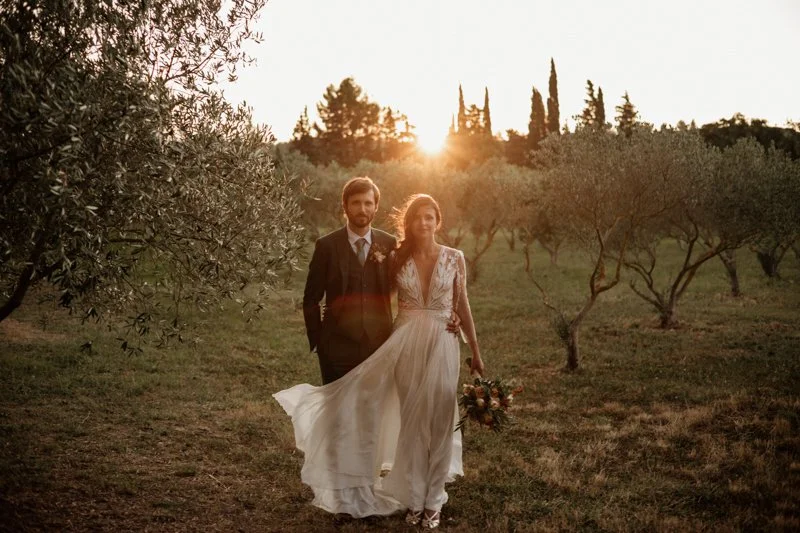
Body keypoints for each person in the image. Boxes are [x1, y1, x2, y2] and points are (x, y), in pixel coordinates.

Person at [275, 193, 485, 529]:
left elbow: (463, 304)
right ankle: (415, 497)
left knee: (442, 419)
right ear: (409, 223)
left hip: (443, 343)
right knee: (413, 422)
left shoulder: (454, 257)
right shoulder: (396, 257)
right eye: (418, 218)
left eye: (430, 217)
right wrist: (331, 332)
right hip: (403, 343)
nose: (424, 223)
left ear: (438, 220)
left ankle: (435, 500)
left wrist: (473, 346)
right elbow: (366, 291)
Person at [302, 177, 397, 384]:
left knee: (372, 410)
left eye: (368, 203)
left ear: (376, 206)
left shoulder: (389, 243)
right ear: (345, 206)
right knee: (338, 413)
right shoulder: (326, 246)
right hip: (336, 347)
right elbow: (311, 298)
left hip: (378, 345)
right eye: (356, 203)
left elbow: (405, 288)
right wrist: (319, 341)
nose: (362, 209)